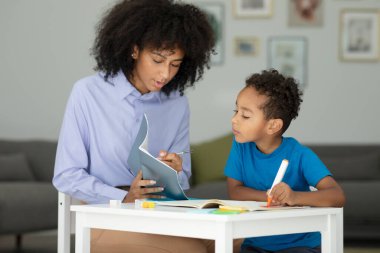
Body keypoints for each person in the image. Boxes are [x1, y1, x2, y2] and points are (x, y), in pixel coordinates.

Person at [53, 0, 215, 252]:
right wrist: (124, 197)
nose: (165, 74)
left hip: (161, 213)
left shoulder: (177, 103)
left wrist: (175, 171)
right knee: (195, 249)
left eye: (175, 64)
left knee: (235, 240)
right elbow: (66, 175)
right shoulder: (87, 93)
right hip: (106, 217)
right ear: (134, 50)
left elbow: (183, 180)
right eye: (158, 60)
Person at [224, 69, 346, 253]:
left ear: (273, 125)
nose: (234, 119)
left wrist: (293, 197)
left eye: (245, 115)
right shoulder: (240, 146)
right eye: (236, 111)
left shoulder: (299, 154)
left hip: (300, 245)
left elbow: (337, 196)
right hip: (255, 245)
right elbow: (235, 191)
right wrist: (270, 196)